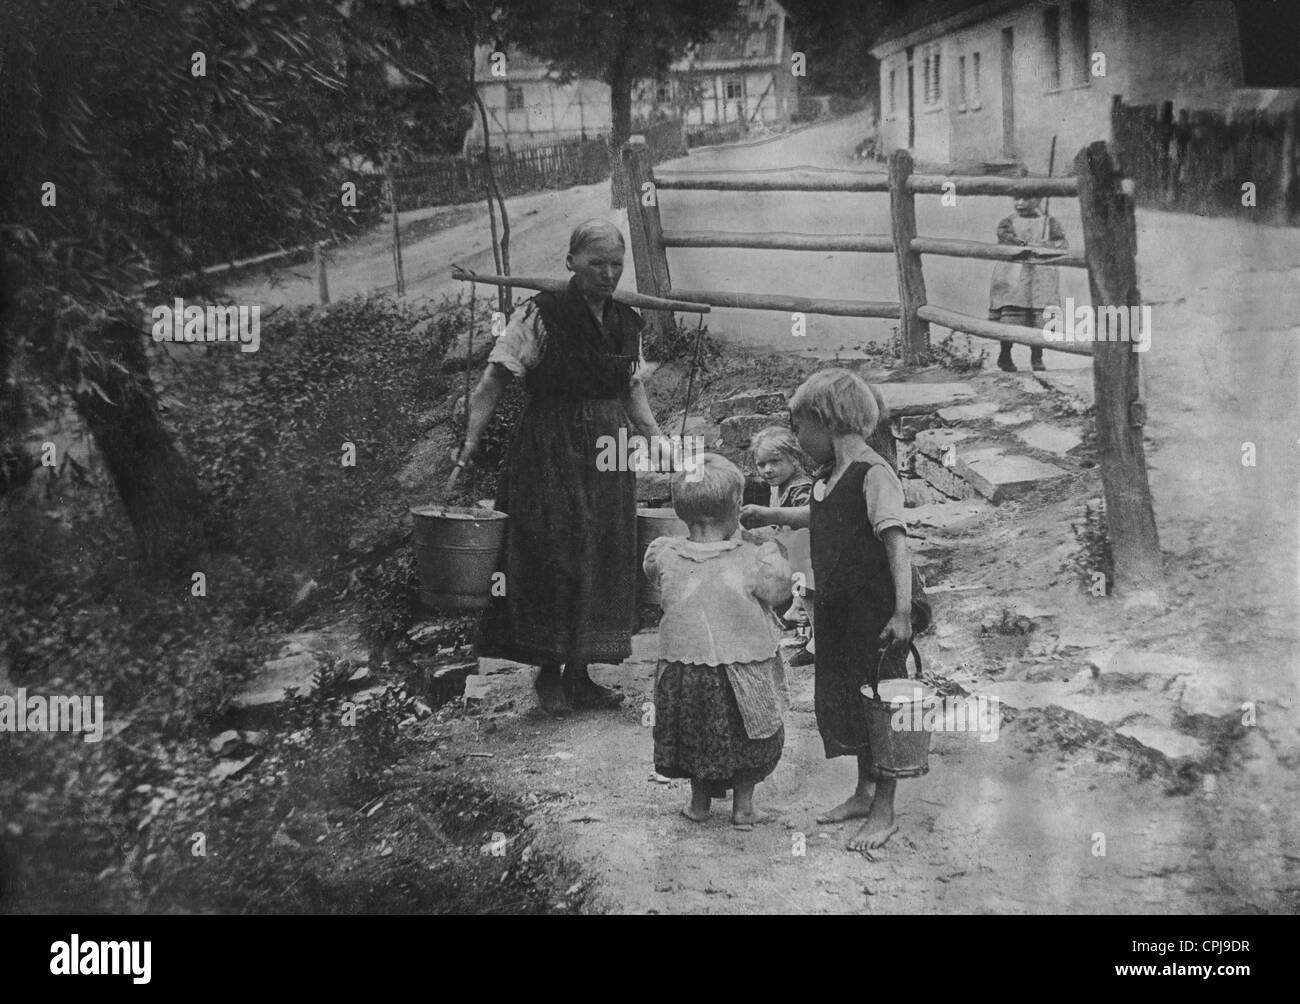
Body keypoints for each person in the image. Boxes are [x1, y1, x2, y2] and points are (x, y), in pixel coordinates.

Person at [452, 219, 665, 717]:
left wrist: (660, 443)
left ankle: (582, 674)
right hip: (549, 446)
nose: (608, 274)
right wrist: (470, 437)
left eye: (616, 264)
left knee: (603, 549)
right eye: (597, 263)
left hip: (608, 452)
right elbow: (493, 380)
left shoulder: (626, 322)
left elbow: (632, 391)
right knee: (550, 549)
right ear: (570, 262)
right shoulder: (538, 314)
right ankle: (548, 673)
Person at [740, 369, 930, 853]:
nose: (800, 442)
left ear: (826, 422)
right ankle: (865, 792)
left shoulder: (874, 473)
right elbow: (819, 516)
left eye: (801, 428)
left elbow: (896, 542)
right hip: (840, 610)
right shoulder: (829, 477)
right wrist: (771, 515)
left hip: (877, 611)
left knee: (882, 703)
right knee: (851, 696)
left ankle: (884, 809)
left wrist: (903, 612)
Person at [644, 454, 792, 831]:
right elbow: (778, 594)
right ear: (735, 510)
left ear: (681, 511)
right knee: (749, 735)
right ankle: (743, 808)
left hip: (684, 669)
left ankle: (698, 804)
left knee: (697, 734)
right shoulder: (751, 558)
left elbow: (653, 575)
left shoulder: (665, 554)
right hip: (742, 669)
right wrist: (771, 549)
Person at [745, 426, 816, 668]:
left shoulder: (801, 488)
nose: (767, 470)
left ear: (794, 458)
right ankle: (798, 619)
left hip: (807, 554)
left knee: (807, 588)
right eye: (761, 464)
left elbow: (807, 522)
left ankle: (814, 640)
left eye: (775, 461)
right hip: (792, 551)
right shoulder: (779, 485)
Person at [989, 195, 1068, 372]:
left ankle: (1037, 356)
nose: (1020, 203)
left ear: (1039, 200)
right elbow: (1006, 239)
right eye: (1017, 199)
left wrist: (1048, 245)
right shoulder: (1009, 222)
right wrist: (1026, 244)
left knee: (1038, 316)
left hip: (1041, 275)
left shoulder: (1049, 222)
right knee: (1011, 314)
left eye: (1027, 199)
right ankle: (1005, 355)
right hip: (1014, 274)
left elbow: (1061, 243)